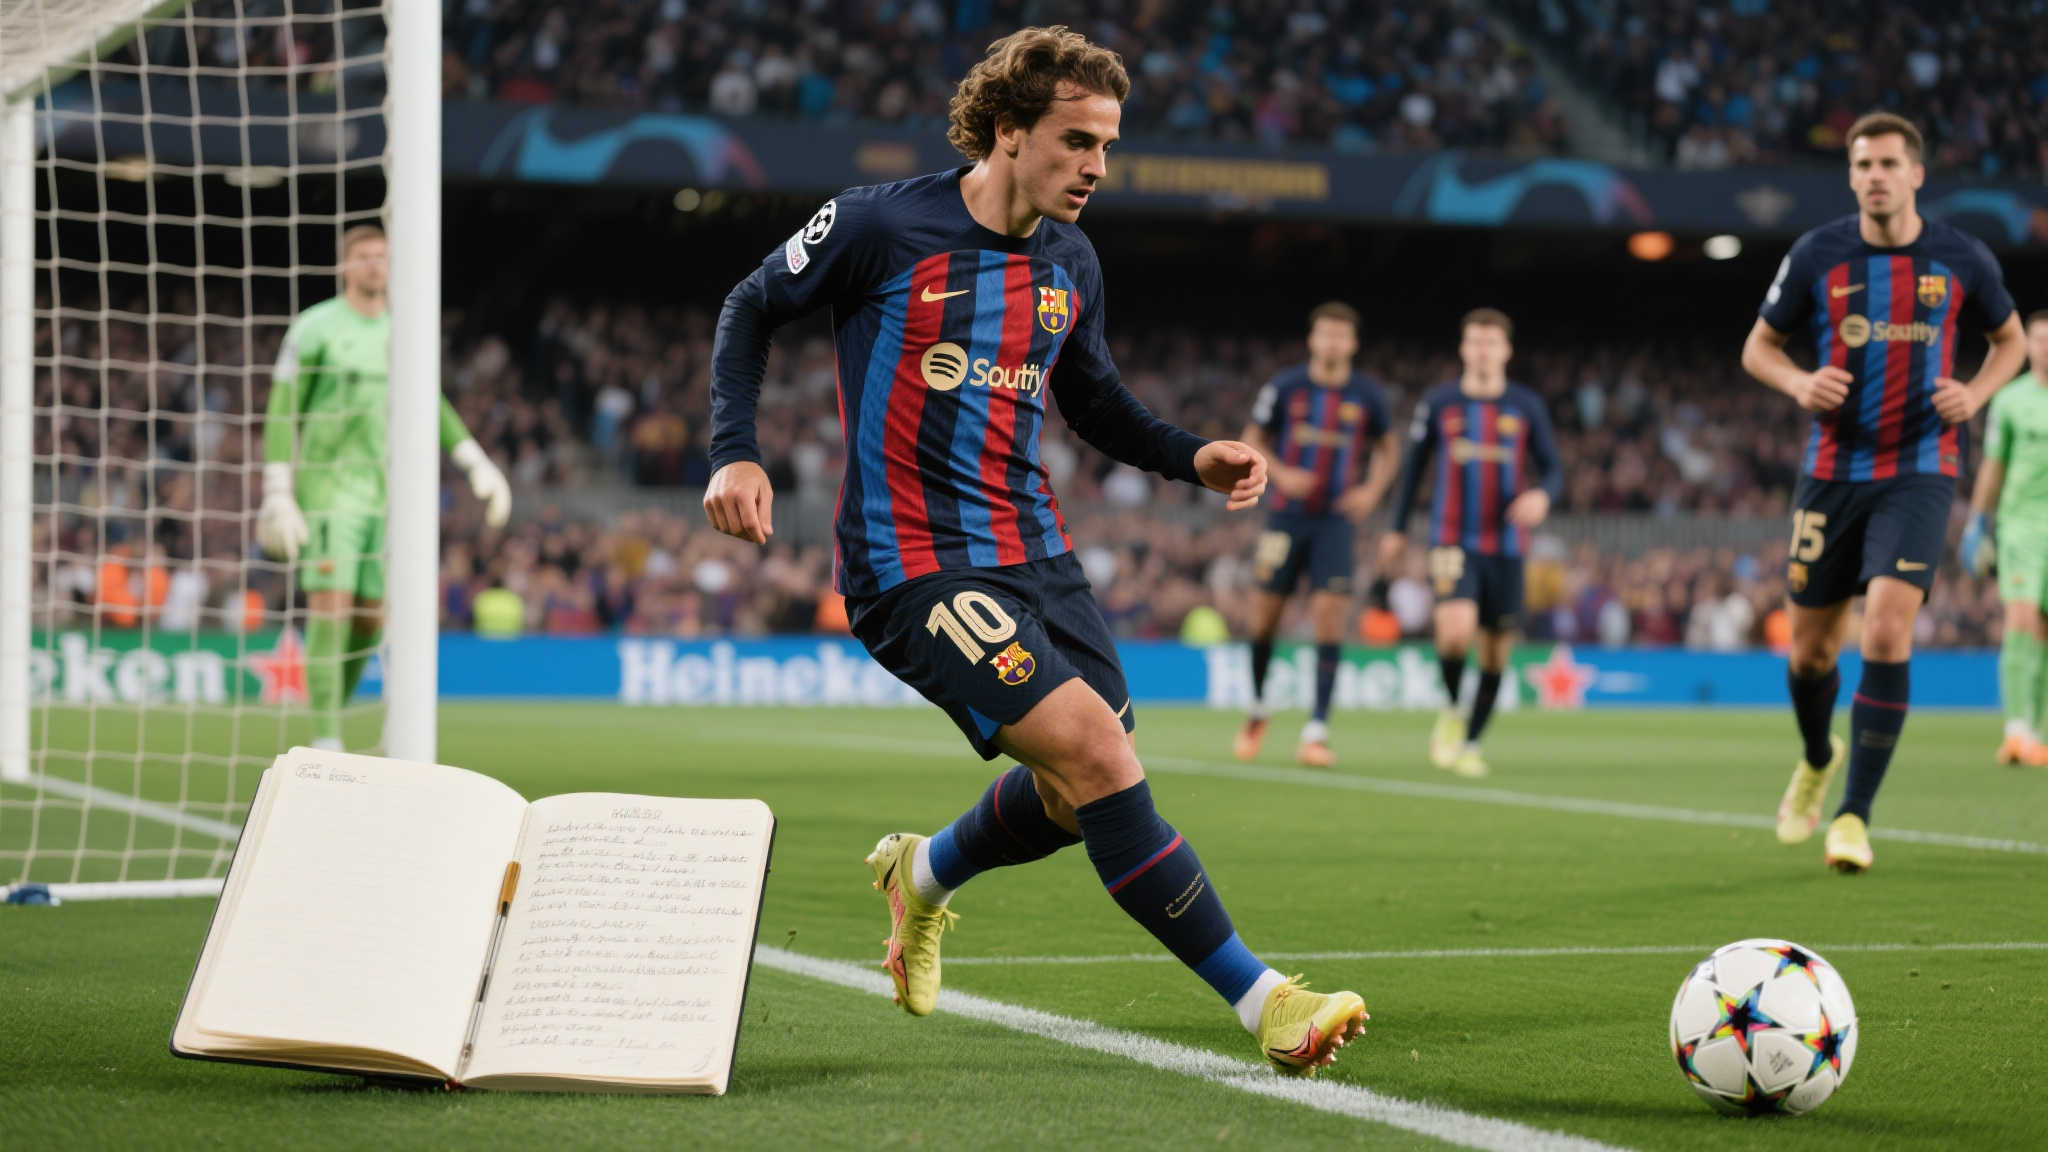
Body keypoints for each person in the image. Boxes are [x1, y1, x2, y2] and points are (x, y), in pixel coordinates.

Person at [703, 26, 1366, 1076]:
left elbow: (1092, 400)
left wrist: (1190, 456)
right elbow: (750, 303)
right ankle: (1265, 1002)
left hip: (1036, 555)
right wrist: (735, 452)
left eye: (1106, 144)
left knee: (1078, 787)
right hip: (910, 564)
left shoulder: (1070, 261)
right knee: (1098, 757)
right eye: (1075, 140)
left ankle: (923, 875)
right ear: (1007, 130)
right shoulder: (882, 225)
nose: (1096, 165)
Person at [1740, 112, 2023, 872]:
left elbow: (2011, 341)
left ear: (1916, 174)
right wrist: (1799, 382)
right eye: (1863, 164)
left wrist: (1977, 392)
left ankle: (1853, 816)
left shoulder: (1960, 257)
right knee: (1811, 653)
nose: (1875, 176)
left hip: (1920, 468)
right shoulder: (1817, 254)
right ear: (1851, 175)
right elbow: (1758, 347)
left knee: (1888, 632)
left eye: (1889, 163)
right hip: (1831, 471)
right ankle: (1816, 757)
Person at [256, 224, 512, 751]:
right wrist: (278, 489)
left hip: (387, 496)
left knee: (371, 621)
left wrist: (474, 461)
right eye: (364, 256)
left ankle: (332, 715)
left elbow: (431, 401)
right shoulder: (315, 327)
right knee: (331, 606)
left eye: (382, 256)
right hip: (328, 491)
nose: (374, 264)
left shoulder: (404, 332)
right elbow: (283, 407)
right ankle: (326, 739)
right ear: (345, 266)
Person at [1378, 309, 1561, 778]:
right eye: (1475, 342)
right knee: (1456, 633)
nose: (1482, 351)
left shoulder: (1525, 405)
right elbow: (1414, 469)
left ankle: (1472, 741)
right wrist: (1397, 528)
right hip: (1451, 538)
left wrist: (1542, 495)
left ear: (1506, 350)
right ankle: (1453, 710)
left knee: (1497, 652)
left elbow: (1553, 469)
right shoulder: (1440, 403)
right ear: (1463, 348)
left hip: (1507, 544)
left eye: (1491, 343)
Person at [1233, 302, 1397, 767]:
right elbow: (1252, 436)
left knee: (1330, 617)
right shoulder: (1286, 387)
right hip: (1285, 519)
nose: (1332, 342)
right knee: (1263, 619)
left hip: (1335, 522)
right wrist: (1282, 475)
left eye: (1340, 335)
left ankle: (1317, 729)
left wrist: (1372, 490)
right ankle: (1258, 707)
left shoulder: (1367, 394)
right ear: (1312, 339)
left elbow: (1389, 447)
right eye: (1325, 333)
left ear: (1353, 343)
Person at [1961, 309, 2048, 766]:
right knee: (2020, 619)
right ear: (2028, 345)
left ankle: (2037, 731)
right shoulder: (2011, 401)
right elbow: (1994, 466)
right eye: (2039, 339)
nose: (2045, 348)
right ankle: (2016, 731)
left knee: (2044, 630)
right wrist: (1978, 521)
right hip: (2022, 525)